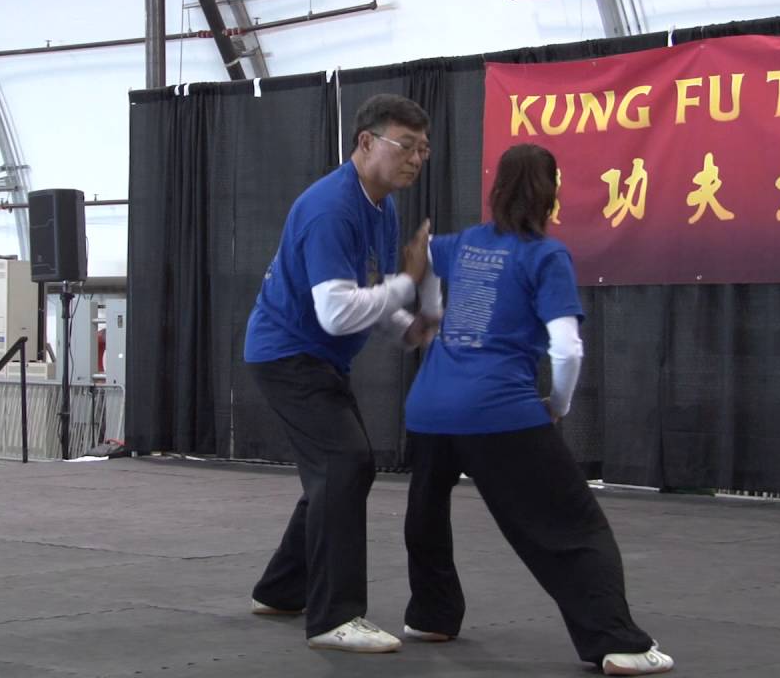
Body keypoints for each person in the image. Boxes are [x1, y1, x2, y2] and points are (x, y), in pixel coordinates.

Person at [399, 144, 674, 675]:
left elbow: (424, 253)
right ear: (552, 192)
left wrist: (431, 312)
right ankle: (616, 641)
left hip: (430, 407)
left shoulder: (467, 243)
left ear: (497, 187)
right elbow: (566, 348)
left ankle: (431, 614)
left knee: (426, 513)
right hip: (498, 410)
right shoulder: (546, 256)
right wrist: (557, 404)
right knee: (574, 526)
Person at [243, 93, 438, 653]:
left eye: (423, 150)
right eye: (406, 146)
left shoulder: (382, 207)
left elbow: (364, 292)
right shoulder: (331, 208)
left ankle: (282, 589)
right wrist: (408, 283)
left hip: (318, 357)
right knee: (344, 463)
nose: (415, 159)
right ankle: (334, 618)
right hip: (287, 354)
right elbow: (335, 312)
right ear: (366, 142)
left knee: (342, 470)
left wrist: (405, 326)